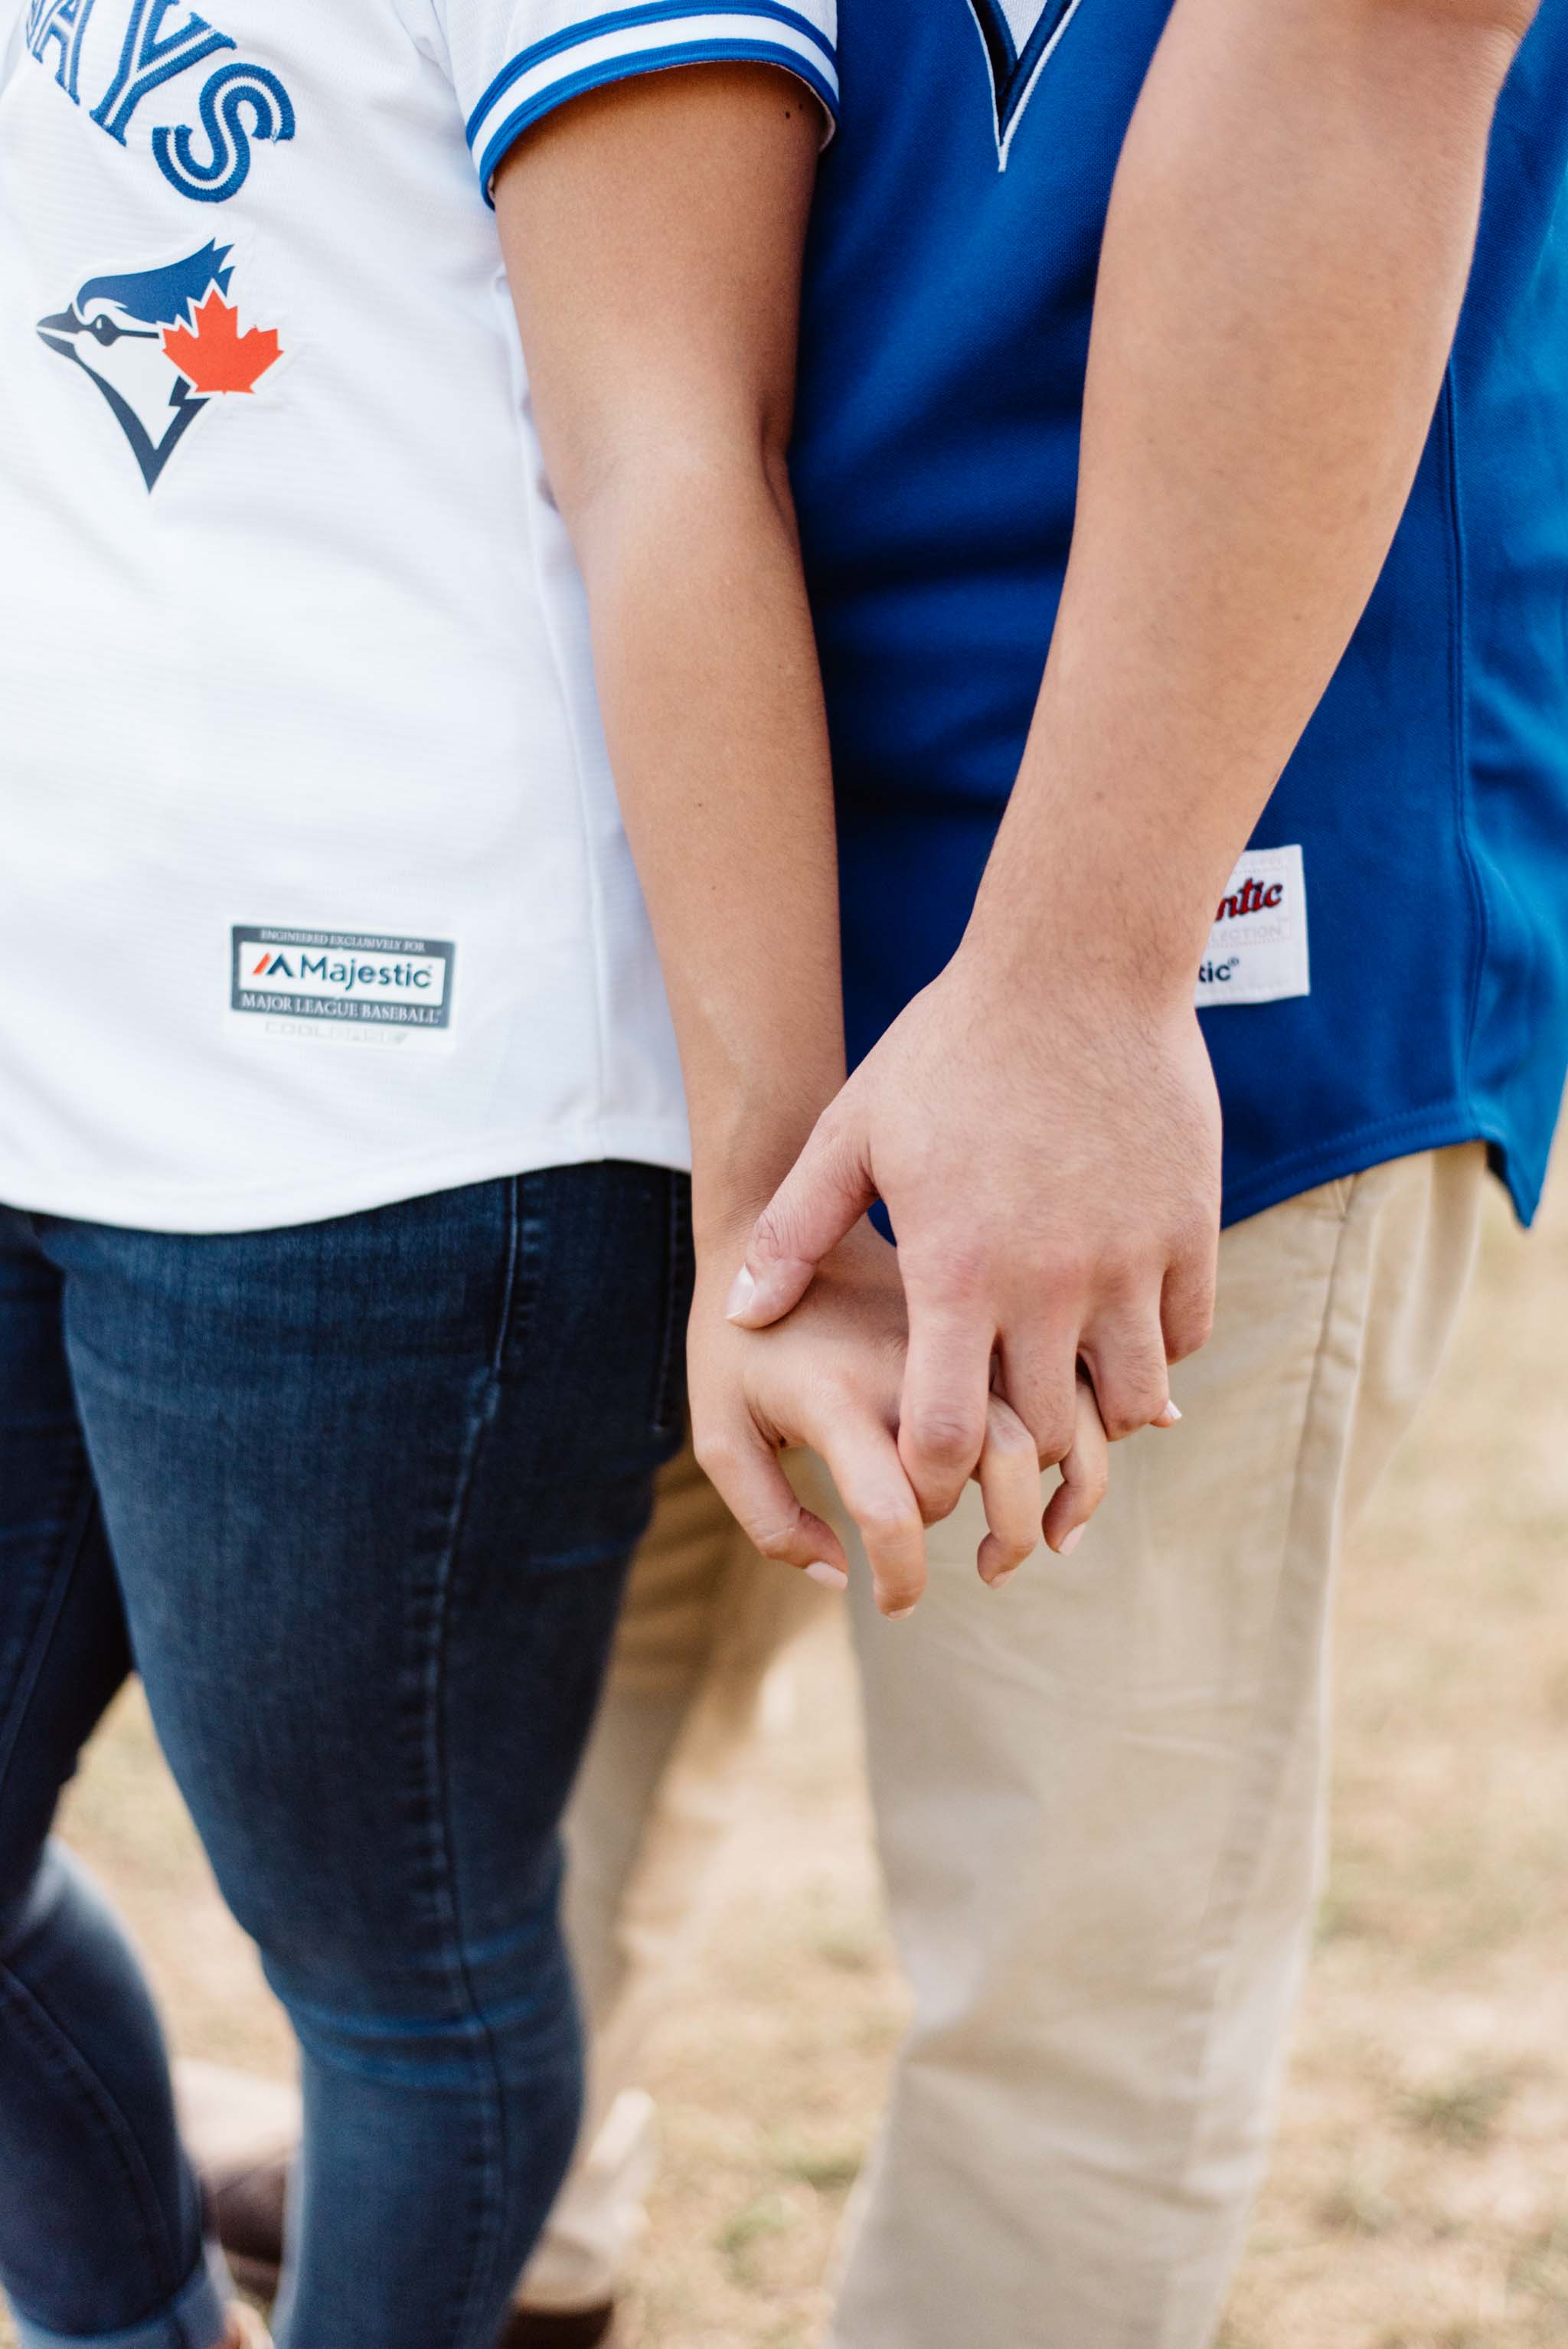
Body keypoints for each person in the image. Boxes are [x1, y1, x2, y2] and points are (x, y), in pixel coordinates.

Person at [201, 0, 1568, 2344]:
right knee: (547, 1735)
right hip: (643, 843)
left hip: (1174, 843)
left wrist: (1079, 973)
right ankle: (506, 2240)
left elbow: (1351, 60)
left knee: (1067, 1966)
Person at [0, 5, 1038, 2343]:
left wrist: (767, 1195)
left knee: (399, 1970)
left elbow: (680, 453)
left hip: (396, 1103)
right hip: (42, 1017)